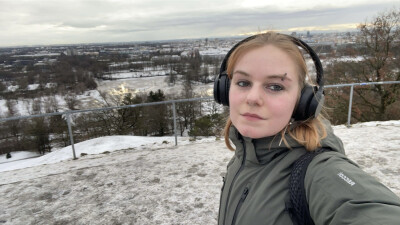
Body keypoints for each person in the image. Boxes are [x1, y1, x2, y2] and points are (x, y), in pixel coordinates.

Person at [214, 32, 400, 225]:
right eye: (243, 83)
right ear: (225, 90)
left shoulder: (319, 171)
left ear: (303, 101)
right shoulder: (243, 158)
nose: (252, 98)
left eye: (275, 87)